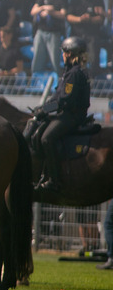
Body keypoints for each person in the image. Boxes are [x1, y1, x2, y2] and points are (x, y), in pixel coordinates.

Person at [32, 36, 91, 193]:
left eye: (64, 52)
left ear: (70, 54)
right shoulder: (69, 72)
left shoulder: (74, 74)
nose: (62, 55)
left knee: (46, 138)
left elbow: (64, 101)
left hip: (72, 116)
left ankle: (54, 180)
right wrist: (42, 108)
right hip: (65, 113)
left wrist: (45, 110)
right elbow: (57, 96)